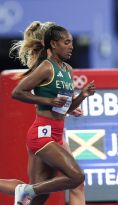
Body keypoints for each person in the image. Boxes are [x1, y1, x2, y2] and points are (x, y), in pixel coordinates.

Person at [10, 23, 96, 205]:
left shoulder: (68, 70)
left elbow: (64, 106)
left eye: (72, 42)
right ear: (53, 44)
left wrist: (82, 96)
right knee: (77, 177)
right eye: (66, 42)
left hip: (56, 133)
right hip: (42, 134)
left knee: (41, 196)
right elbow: (17, 92)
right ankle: (25, 190)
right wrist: (47, 101)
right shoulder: (46, 67)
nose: (71, 46)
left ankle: (28, 191)